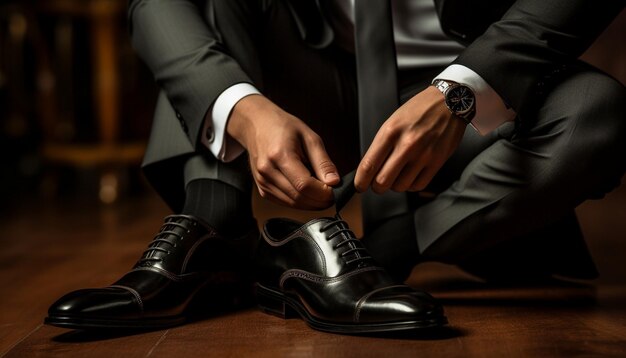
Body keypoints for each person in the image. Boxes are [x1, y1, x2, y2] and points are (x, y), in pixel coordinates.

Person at [45, 0, 625, 333]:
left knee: (597, 113)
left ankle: (388, 251)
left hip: (476, 96)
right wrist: (243, 108)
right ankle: (213, 228)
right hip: (307, 78)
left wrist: (463, 90)